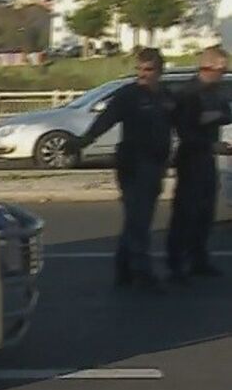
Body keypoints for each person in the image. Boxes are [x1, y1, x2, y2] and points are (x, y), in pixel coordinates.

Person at [65, 48, 176, 291]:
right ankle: (141, 272)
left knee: (138, 219)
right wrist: (82, 142)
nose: (143, 74)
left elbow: (178, 123)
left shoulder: (166, 96)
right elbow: (105, 120)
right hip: (133, 165)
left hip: (156, 165)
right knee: (139, 219)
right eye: (140, 69)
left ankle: (124, 269)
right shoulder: (129, 95)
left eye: (149, 69)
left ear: (160, 71)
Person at [166, 47, 231, 281]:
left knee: (205, 211)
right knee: (186, 212)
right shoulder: (189, 93)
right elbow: (185, 129)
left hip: (206, 156)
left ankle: (198, 259)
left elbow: (226, 113)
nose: (223, 74)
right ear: (209, 67)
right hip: (191, 156)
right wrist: (210, 139)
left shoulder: (214, 92)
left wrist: (213, 116)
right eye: (221, 69)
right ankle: (176, 263)